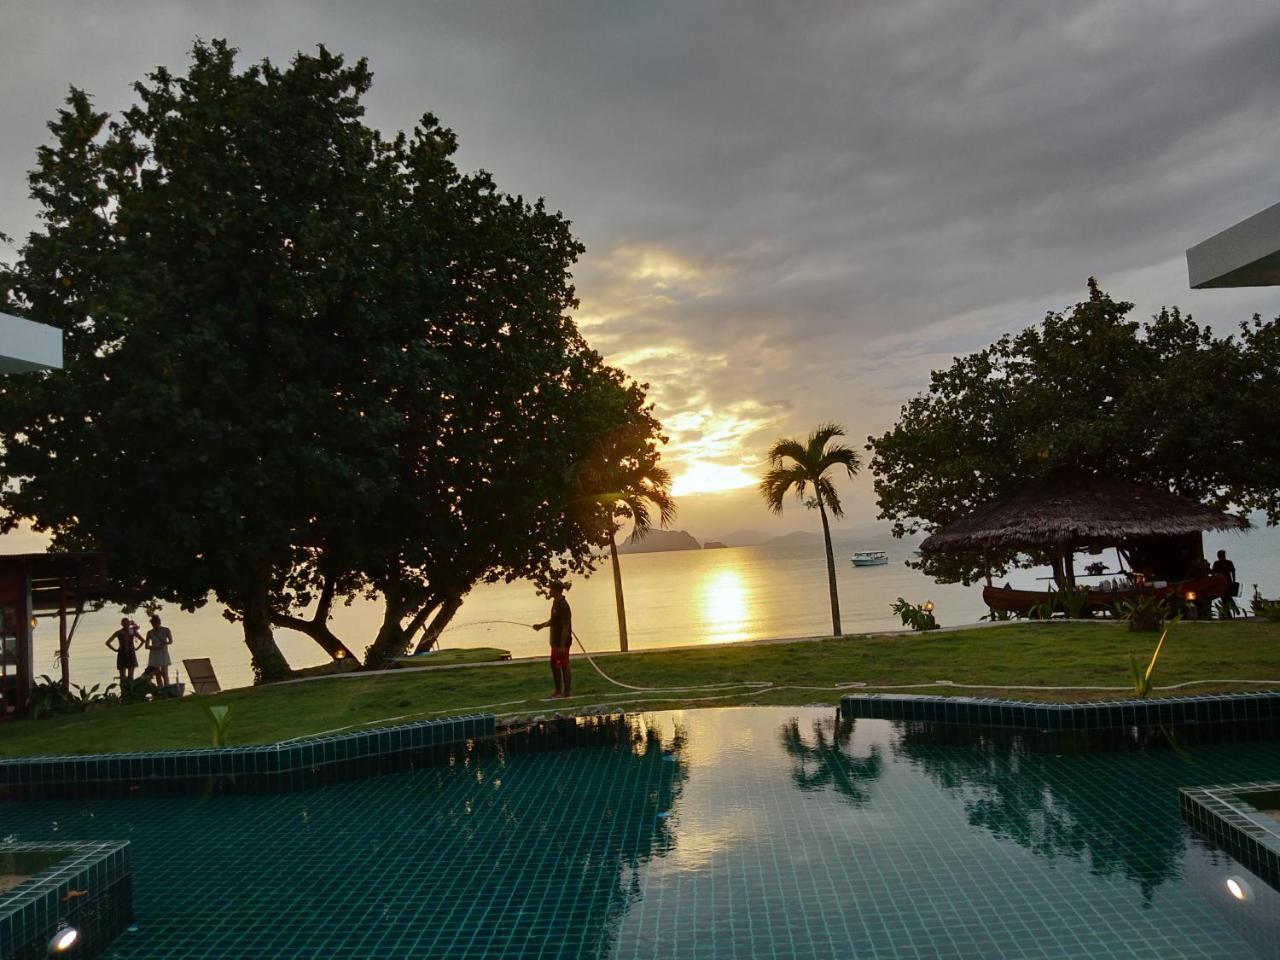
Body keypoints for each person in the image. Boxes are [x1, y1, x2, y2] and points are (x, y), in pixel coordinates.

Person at [534, 582, 573, 699]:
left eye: (551, 589)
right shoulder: (555, 603)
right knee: (554, 665)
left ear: (557, 590)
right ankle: (557, 691)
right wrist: (541, 626)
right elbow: (553, 620)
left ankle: (566, 692)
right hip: (555, 641)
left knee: (564, 665)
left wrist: (562, 645)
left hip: (562, 642)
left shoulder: (563, 605)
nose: (549, 591)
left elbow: (566, 626)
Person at [106, 617, 143, 685]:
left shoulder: (128, 631)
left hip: (128, 653)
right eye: (125, 623)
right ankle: (125, 691)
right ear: (122, 624)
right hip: (125, 653)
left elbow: (143, 640)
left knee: (128, 676)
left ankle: (128, 691)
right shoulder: (121, 632)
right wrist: (115, 649)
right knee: (124, 677)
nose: (126, 624)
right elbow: (108, 642)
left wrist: (137, 648)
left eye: (127, 623)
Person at [145, 614, 175, 686]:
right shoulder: (150, 632)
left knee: (164, 673)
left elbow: (170, 641)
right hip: (154, 653)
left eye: (156, 623)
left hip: (163, 652)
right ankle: (160, 689)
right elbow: (146, 646)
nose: (155, 625)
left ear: (159, 623)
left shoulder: (166, 630)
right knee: (157, 673)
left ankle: (167, 687)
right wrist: (154, 647)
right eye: (154, 624)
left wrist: (164, 643)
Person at [1212, 549, 1239, 618]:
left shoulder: (1228, 562)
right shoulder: (1217, 563)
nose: (1221, 557)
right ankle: (1229, 613)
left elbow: (1233, 572)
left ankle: (1231, 610)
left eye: (1222, 555)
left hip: (1228, 582)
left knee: (1227, 597)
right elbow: (1213, 573)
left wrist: (1233, 581)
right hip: (1221, 583)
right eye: (1220, 555)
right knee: (1224, 598)